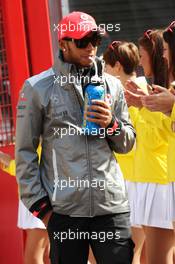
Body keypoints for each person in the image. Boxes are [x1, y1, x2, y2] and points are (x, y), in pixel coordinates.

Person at [15, 11, 136, 264]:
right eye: (82, 41)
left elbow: (128, 144)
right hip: (64, 212)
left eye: (95, 40)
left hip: (111, 207)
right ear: (63, 44)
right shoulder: (37, 88)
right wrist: (44, 210)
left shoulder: (112, 85)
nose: (91, 47)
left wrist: (111, 124)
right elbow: (24, 152)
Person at [124, 29, 174, 264]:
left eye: (144, 56)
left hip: (158, 179)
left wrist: (143, 105)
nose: (141, 63)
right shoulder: (162, 89)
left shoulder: (163, 89)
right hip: (151, 177)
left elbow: (157, 138)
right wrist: (141, 105)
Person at [103, 40, 146, 264]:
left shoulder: (133, 93)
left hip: (134, 181)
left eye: (107, 67)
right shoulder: (127, 92)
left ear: (117, 66)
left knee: (131, 252)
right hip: (133, 180)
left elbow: (133, 141)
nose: (104, 72)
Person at [0, 150, 51, 264]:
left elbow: (30, 170)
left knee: (33, 258)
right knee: (47, 255)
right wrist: (7, 163)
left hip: (39, 199)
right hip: (33, 198)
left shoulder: (46, 135)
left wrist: (7, 161)